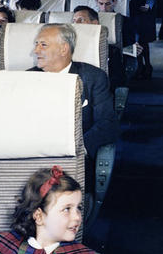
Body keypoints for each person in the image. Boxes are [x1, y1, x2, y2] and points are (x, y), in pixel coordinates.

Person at [29, 24, 118, 157]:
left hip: (75, 154)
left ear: (63, 49)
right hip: (34, 152)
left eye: (43, 45)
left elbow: (107, 123)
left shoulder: (93, 78)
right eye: (36, 44)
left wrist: (77, 150)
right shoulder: (27, 78)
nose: (36, 50)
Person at [124, 0, 157, 78]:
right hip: (132, 6)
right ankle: (139, 65)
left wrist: (148, 5)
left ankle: (147, 65)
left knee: (143, 39)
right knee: (134, 37)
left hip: (143, 7)